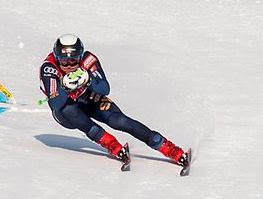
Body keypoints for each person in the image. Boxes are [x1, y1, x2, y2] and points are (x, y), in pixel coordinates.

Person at [38, 34, 189, 170]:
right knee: (68, 109)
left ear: (81, 56)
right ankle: (109, 142)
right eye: (65, 62)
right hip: (66, 112)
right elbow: (56, 104)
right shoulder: (49, 68)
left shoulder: (88, 59)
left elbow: (104, 88)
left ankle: (167, 147)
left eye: (74, 61)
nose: (70, 67)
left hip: (87, 98)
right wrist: (63, 86)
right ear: (57, 59)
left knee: (120, 121)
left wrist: (89, 80)